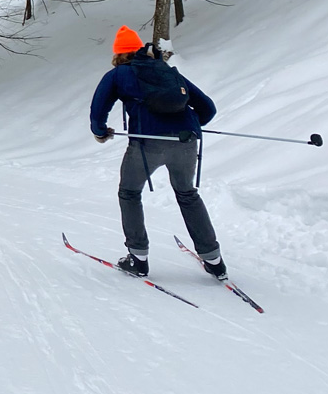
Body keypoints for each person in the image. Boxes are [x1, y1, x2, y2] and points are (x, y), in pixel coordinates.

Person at [90, 25, 227, 280]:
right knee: (187, 194)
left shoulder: (118, 74)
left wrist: (101, 132)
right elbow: (207, 108)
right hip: (186, 141)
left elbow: (98, 111)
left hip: (146, 144)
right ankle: (214, 261)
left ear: (118, 54)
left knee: (129, 193)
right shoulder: (166, 72)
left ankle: (138, 258)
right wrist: (187, 126)